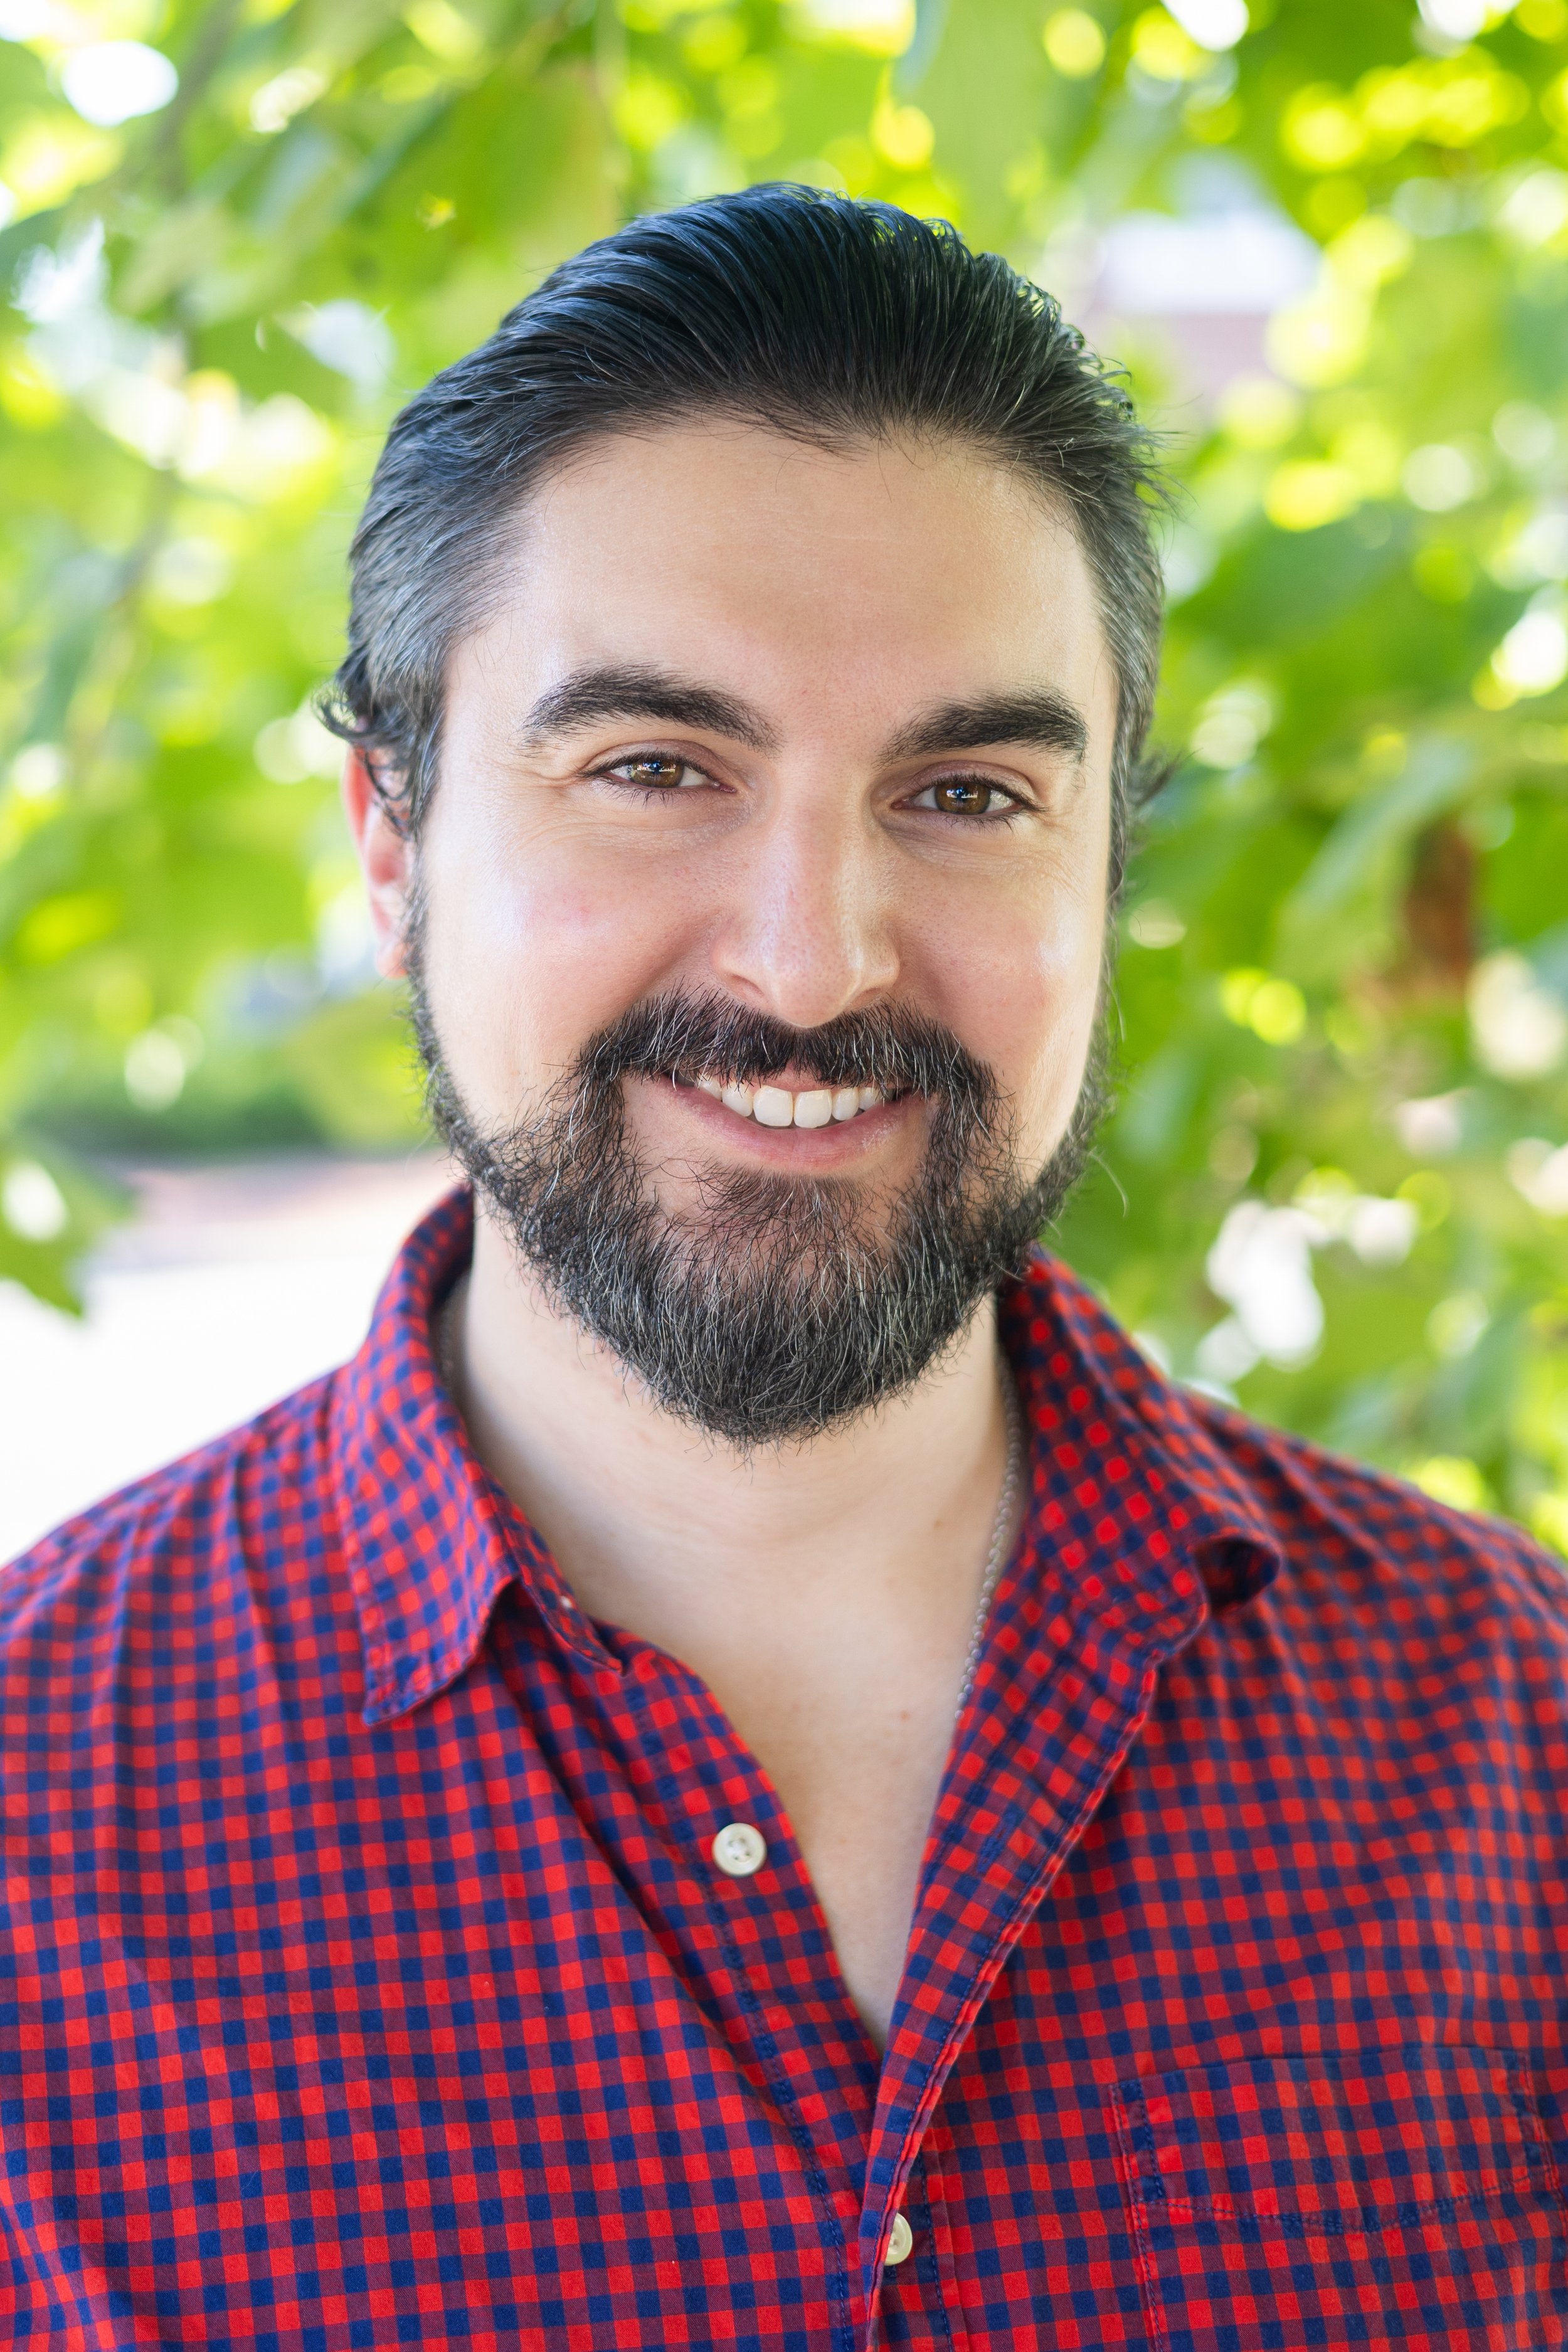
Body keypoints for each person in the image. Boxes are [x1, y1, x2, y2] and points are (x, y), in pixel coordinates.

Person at [4, 187, 1567, 2352]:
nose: (812, 960)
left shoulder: (1522, 1744)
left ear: (1109, 868)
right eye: (654, 768)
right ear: (392, 844)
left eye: (966, 793)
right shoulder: (31, 1819)